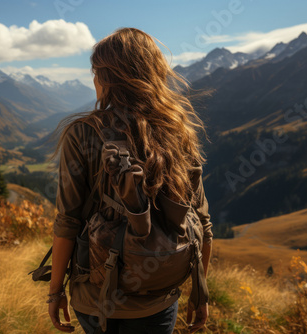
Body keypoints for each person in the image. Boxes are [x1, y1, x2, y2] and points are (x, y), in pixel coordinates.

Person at [47, 27, 213, 334]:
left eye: (97, 72)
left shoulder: (82, 133)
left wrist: (55, 291)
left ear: (109, 79)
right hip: (159, 296)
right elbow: (201, 221)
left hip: (96, 298)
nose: (94, 80)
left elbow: (67, 221)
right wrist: (200, 294)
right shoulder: (177, 131)